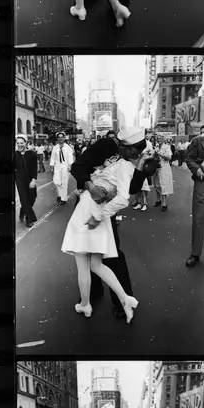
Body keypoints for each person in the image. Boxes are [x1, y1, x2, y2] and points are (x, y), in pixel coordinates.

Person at [61, 128, 147, 322]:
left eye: (139, 151)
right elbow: (78, 167)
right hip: (89, 203)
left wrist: (140, 168)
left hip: (105, 209)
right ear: (124, 145)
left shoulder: (133, 161)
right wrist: (91, 187)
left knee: (108, 254)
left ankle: (119, 300)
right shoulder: (106, 145)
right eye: (134, 150)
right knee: (90, 256)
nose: (135, 154)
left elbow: (132, 189)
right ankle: (93, 294)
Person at [185, 111, 204, 267]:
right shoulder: (199, 140)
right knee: (199, 218)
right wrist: (196, 169)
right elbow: (188, 158)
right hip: (203, 179)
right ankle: (195, 253)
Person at [15, 134, 37, 228]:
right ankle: (29, 219)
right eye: (18, 143)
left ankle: (22, 211)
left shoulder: (31, 154)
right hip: (19, 179)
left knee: (32, 197)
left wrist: (33, 180)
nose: (19, 145)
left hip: (30, 179)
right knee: (24, 199)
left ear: (26, 143)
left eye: (22, 143)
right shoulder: (14, 154)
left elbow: (34, 168)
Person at [154, 140, 173, 211]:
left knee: (164, 185)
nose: (159, 140)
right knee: (157, 184)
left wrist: (160, 154)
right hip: (156, 168)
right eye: (158, 138)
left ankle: (164, 204)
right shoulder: (156, 147)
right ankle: (158, 200)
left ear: (163, 139)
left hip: (164, 168)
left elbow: (169, 157)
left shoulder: (167, 147)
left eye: (160, 138)